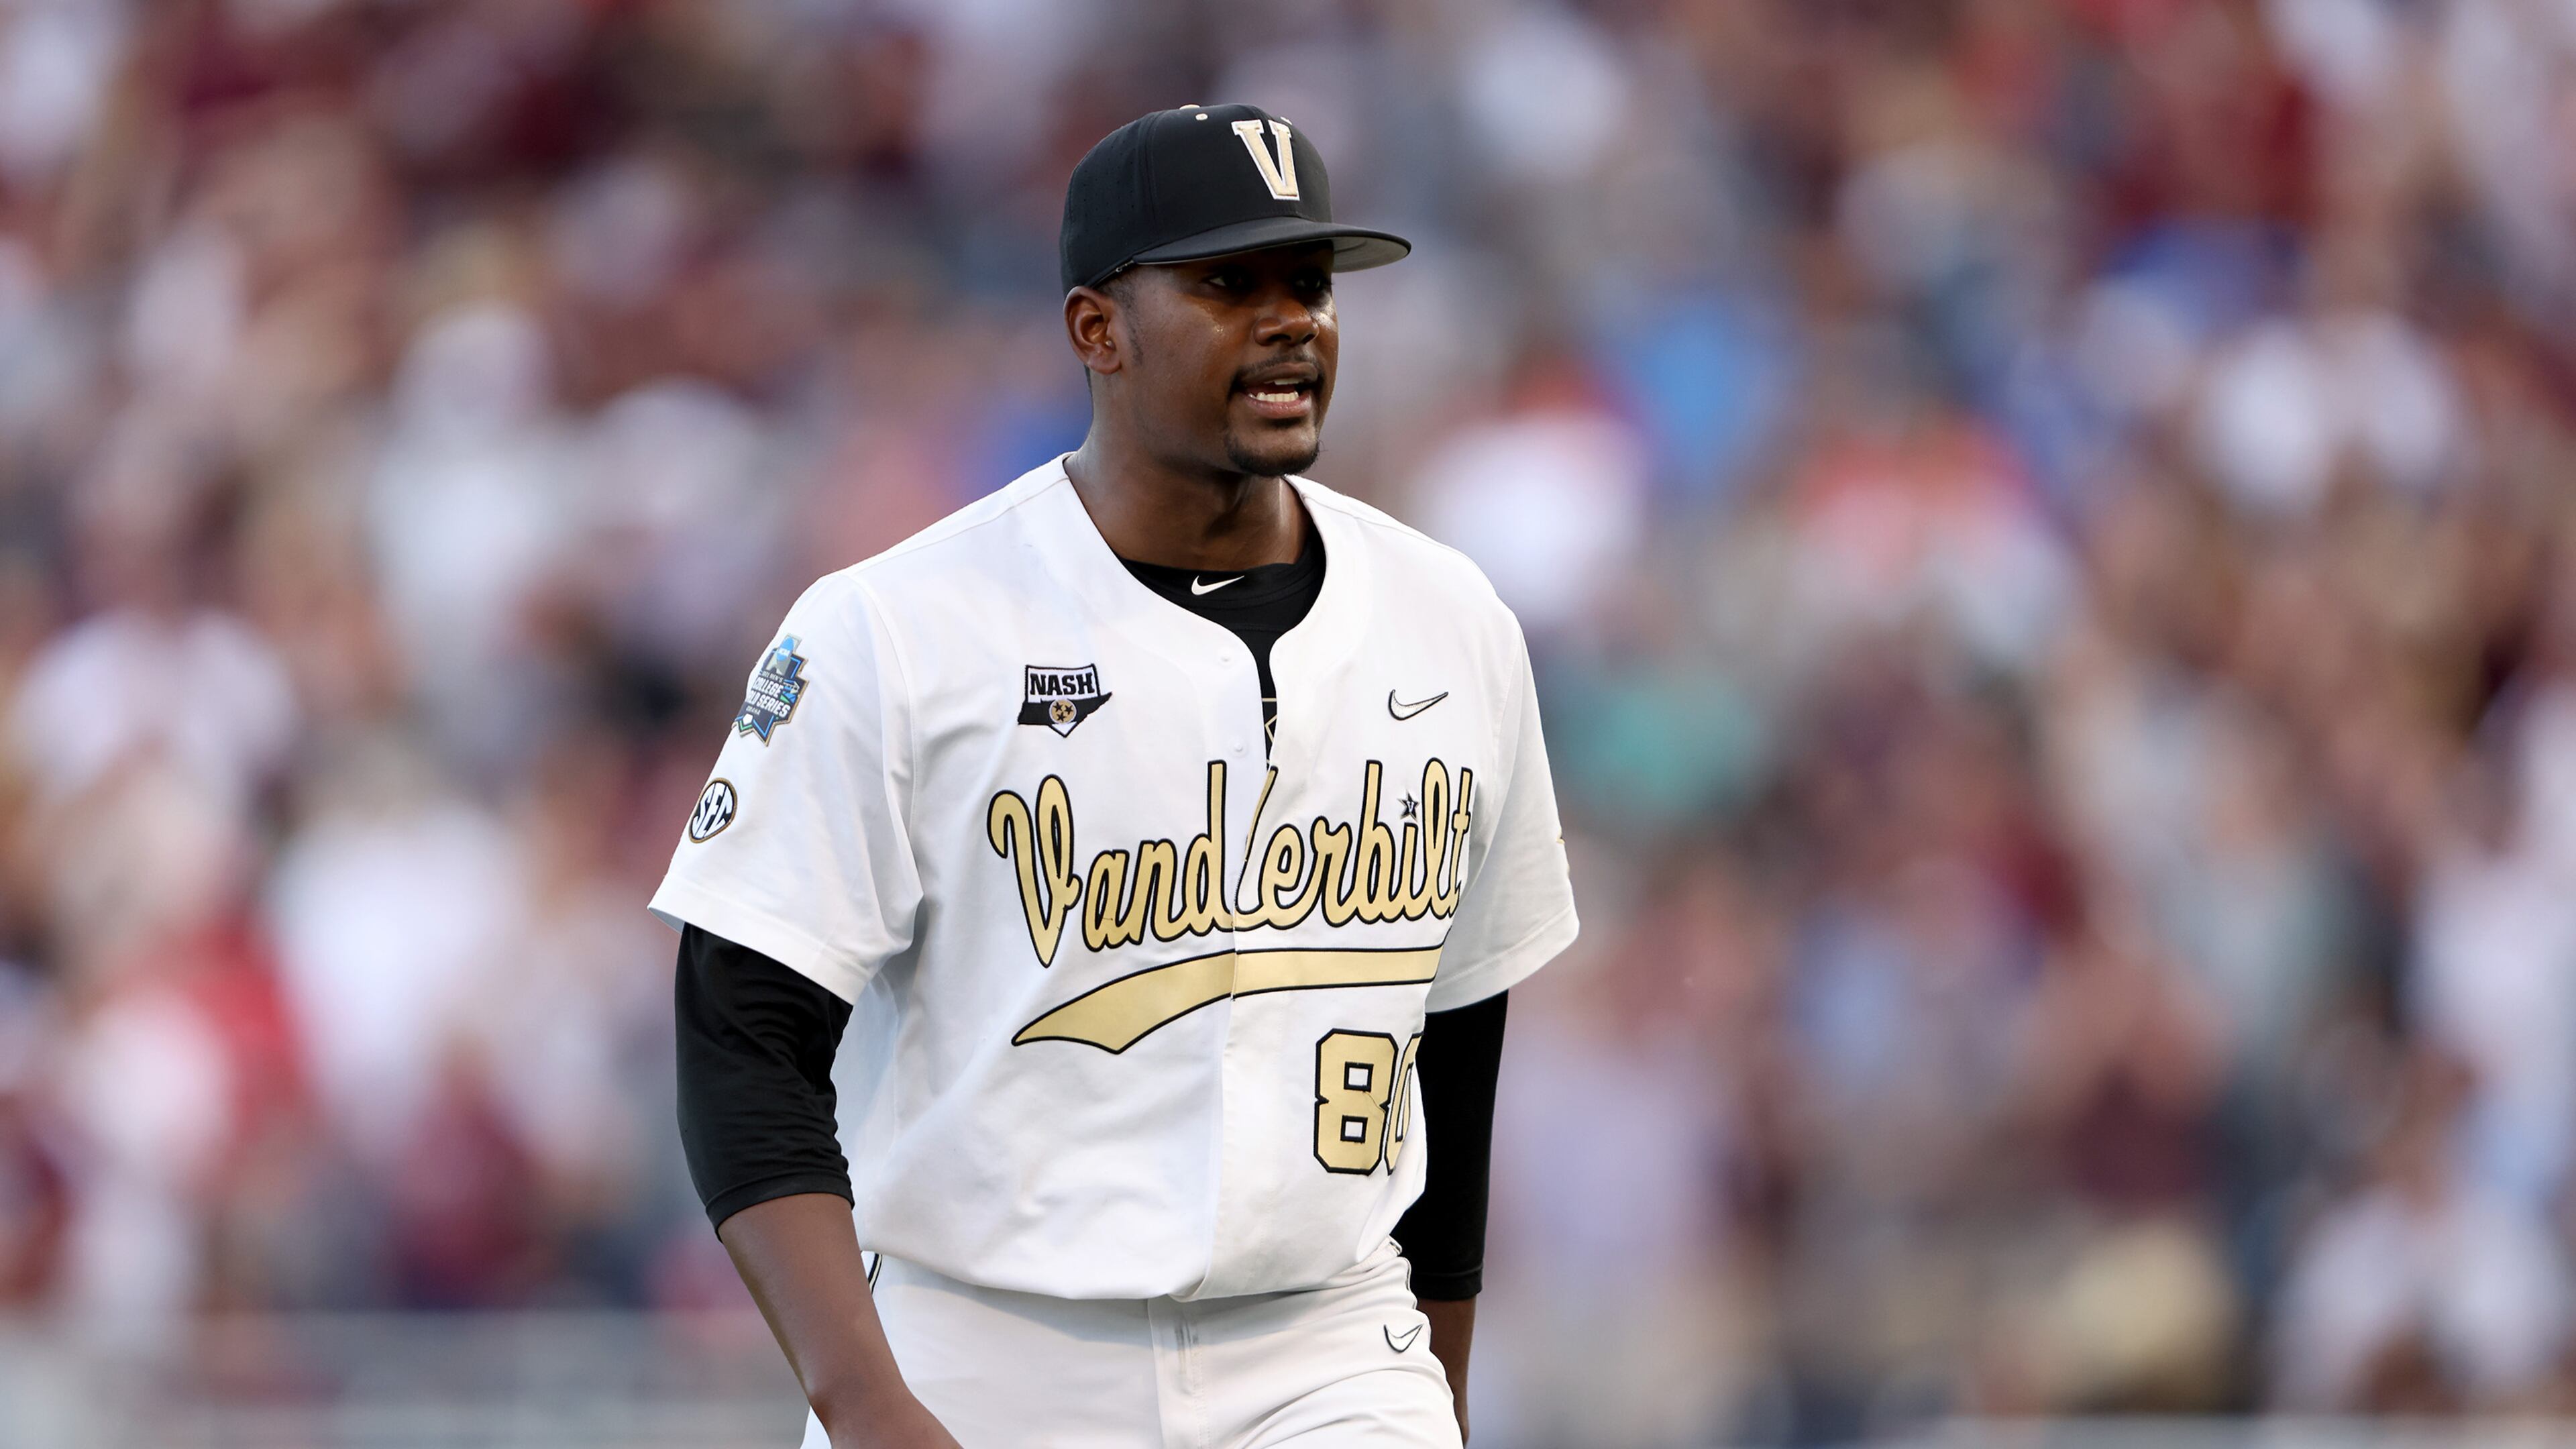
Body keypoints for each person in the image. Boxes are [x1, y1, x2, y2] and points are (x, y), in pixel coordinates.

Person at [653, 102, 1578, 1448]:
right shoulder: (897, 628)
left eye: (1308, 285)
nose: (1291, 322)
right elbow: (740, 1039)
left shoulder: (1452, 618)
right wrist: (863, 1402)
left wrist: (1437, 1387)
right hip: (988, 1343)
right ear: (1098, 329)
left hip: (1327, 1340)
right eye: (1225, 284)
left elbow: (1459, 1033)